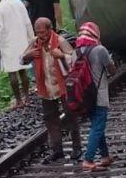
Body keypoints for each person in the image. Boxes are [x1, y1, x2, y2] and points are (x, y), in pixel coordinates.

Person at [21, 18, 81, 161]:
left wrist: (61, 55)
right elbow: (22, 59)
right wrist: (27, 56)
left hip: (64, 85)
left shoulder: (60, 41)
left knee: (71, 116)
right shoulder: (35, 43)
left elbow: (75, 59)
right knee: (50, 119)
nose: (40, 35)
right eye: (38, 32)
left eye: (43, 32)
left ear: (50, 29)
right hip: (46, 87)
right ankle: (56, 149)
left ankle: (77, 148)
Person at [75, 22, 117, 172]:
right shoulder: (100, 50)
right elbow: (113, 71)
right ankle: (88, 159)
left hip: (85, 95)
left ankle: (105, 156)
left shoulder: (77, 51)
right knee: (97, 127)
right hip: (99, 95)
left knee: (97, 126)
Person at [0, 0, 35, 110]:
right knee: (23, 70)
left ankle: (18, 100)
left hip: (8, 43)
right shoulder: (19, 3)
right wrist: (31, 40)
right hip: (22, 40)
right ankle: (27, 97)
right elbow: (28, 22)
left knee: (12, 72)